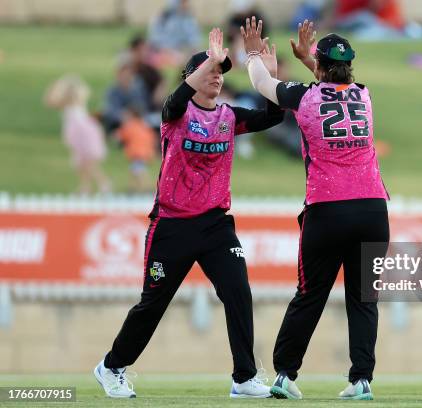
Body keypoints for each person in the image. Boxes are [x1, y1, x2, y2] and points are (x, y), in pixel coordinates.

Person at [93, 28, 284, 399]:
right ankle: (111, 366)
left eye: (221, 71)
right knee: (153, 303)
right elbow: (174, 100)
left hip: (215, 225)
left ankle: (244, 377)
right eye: (211, 69)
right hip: (172, 225)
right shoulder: (175, 114)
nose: (217, 75)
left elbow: (273, 117)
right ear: (191, 77)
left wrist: (270, 79)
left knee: (238, 292)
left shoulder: (230, 116)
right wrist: (208, 61)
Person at [242, 17, 390, 400]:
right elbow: (335, 84)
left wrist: (254, 52)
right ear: (350, 68)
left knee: (309, 295)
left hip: (327, 209)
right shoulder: (364, 94)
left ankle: (285, 375)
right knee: (363, 299)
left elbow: (261, 83)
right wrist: (313, 59)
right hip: (373, 209)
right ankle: (361, 380)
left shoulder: (304, 98)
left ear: (320, 67)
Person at [44, 75, 111, 194]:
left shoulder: (76, 102)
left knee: (88, 162)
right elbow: (50, 102)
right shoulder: (67, 104)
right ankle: (86, 187)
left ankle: (103, 184)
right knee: (81, 163)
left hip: (84, 134)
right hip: (78, 135)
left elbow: (57, 100)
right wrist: (54, 87)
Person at [148, 0, 202, 67]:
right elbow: (155, 38)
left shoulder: (189, 18)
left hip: (183, 51)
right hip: (164, 51)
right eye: (182, 2)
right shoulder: (163, 17)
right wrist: (167, 50)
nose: (185, 5)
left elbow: (194, 38)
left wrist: (191, 49)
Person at [116, 106, 157, 193]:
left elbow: (122, 135)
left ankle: (147, 188)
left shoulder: (130, 125)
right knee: (134, 170)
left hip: (137, 152)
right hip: (145, 152)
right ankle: (132, 188)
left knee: (139, 170)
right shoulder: (143, 124)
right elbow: (151, 137)